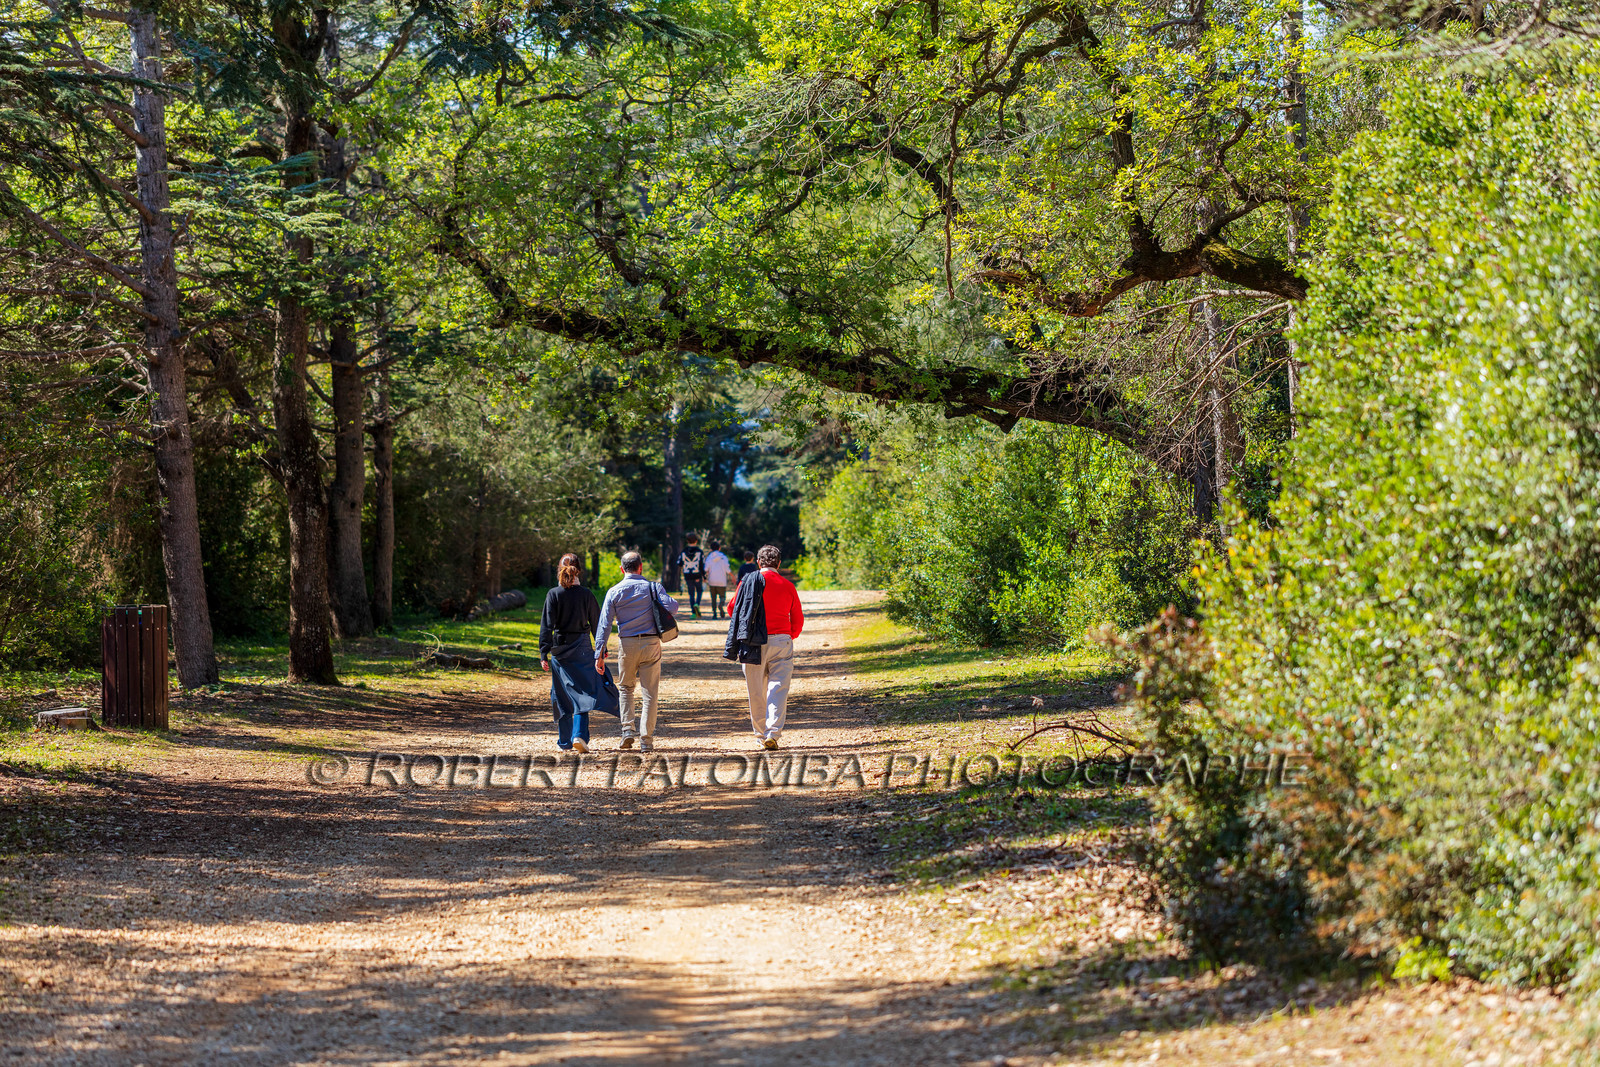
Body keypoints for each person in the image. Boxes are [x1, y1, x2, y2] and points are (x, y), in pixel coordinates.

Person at [594, 551, 680, 751]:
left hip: (627, 645)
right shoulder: (653, 587)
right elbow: (673, 608)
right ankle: (646, 740)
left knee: (625, 688)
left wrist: (599, 653)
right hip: (651, 644)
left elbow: (604, 624)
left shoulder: (614, 592)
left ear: (622, 569)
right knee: (650, 693)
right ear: (641, 567)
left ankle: (627, 730)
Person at [725, 544, 804, 750]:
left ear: (758, 563)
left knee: (756, 691)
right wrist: (789, 635)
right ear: (779, 563)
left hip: (752, 642)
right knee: (778, 688)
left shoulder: (747, 582)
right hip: (781, 641)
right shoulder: (788, 586)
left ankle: (761, 735)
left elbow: (732, 608)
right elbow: (797, 619)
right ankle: (773, 733)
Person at [539, 554, 618, 753]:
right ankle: (579, 735)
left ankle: (565, 741)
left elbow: (546, 626)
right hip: (582, 648)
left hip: (560, 649)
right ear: (579, 571)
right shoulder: (586, 594)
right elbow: (597, 624)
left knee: (561, 694)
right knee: (584, 692)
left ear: (559, 570)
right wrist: (601, 650)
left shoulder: (553, 594)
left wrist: (543, 652)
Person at [678, 534, 706, 619]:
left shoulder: (683, 551)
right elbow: (702, 565)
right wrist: (704, 576)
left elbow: (679, 563)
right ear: (696, 541)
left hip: (687, 575)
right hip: (697, 574)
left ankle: (693, 613)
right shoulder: (699, 551)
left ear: (687, 541)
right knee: (699, 590)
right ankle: (697, 603)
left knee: (691, 593)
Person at [704, 539, 731, 620]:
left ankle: (714, 614)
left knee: (713, 598)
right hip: (722, 581)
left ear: (711, 549)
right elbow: (727, 570)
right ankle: (721, 604)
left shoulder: (709, 557)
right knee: (722, 596)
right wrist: (733, 576)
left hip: (712, 580)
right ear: (719, 548)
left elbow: (706, 569)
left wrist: (704, 577)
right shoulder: (724, 557)